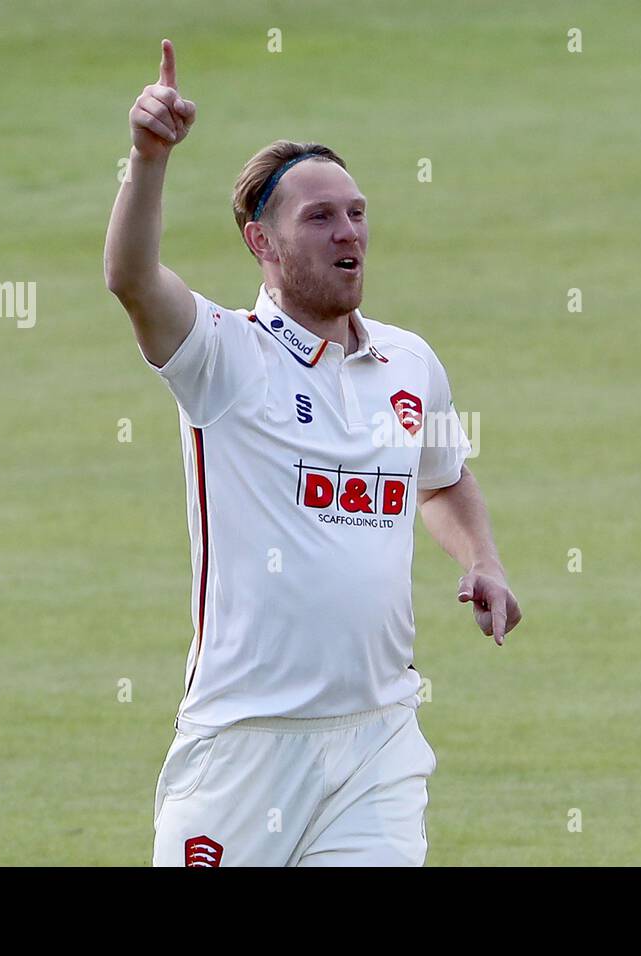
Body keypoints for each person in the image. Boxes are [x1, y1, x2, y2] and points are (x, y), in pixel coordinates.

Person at [104, 40, 522, 866]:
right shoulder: (226, 357)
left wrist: (484, 559)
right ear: (261, 243)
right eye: (320, 217)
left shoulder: (409, 362)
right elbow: (131, 277)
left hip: (377, 740)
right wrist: (148, 159)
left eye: (358, 212)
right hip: (244, 744)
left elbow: (442, 481)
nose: (349, 233)